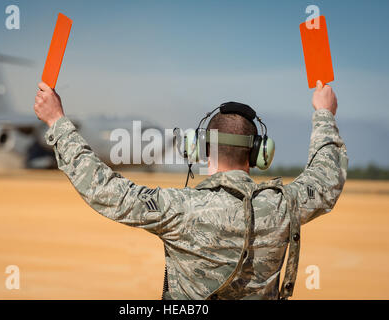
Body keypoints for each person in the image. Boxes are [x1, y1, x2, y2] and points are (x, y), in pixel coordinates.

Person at [33, 79, 348, 300]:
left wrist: (57, 122)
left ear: (201, 150)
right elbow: (326, 178)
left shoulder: (180, 208)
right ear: (259, 155)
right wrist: (324, 114)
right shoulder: (283, 207)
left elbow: (105, 189)